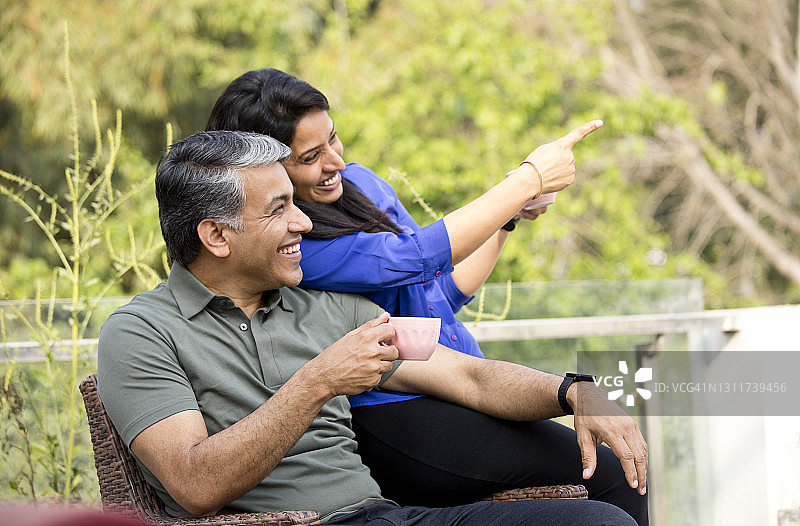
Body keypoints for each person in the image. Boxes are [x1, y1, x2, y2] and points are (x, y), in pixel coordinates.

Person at [97, 130, 645, 525]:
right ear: (216, 236)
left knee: (596, 522)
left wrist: (571, 390)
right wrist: (318, 381)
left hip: (380, 517)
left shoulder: (328, 310)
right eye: (279, 209)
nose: (304, 223)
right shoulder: (142, 333)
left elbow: (471, 380)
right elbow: (195, 485)